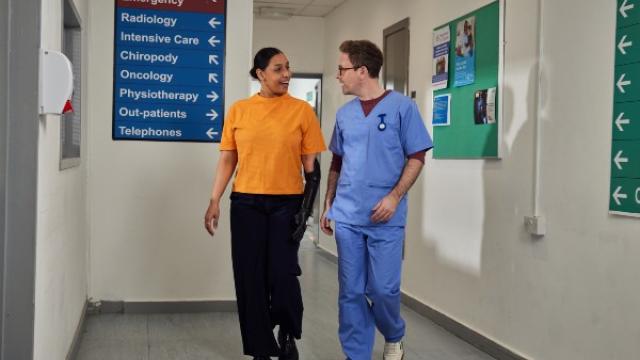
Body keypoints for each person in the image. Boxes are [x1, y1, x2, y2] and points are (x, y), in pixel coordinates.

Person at [204, 47, 326, 360]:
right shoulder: (239, 110)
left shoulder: (301, 111)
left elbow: (312, 171)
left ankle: (287, 331)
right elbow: (228, 158)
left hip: (287, 204)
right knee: (250, 277)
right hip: (246, 203)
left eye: (288, 67)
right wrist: (214, 199)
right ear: (260, 74)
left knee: (283, 274)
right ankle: (260, 346)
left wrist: (305, 212)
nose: (286, 74)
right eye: (278, 68)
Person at [320, 40, 433, 360]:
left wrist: (395, 197)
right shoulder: (344, 115)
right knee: (351, 292)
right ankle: (356, 354)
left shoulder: (402, 108)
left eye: (342, 69)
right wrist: (329, 205)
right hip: (347, 216)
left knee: (383, 290)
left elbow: (417, 156)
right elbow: (337, 163)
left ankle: (394, 334)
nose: (338, 76)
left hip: (385, 217)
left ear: (362, 71)